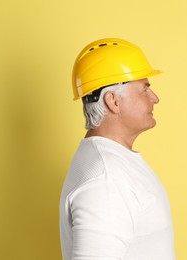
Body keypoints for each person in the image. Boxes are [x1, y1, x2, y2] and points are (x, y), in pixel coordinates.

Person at [60, 38, 175, 260]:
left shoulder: (112, 163)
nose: (155, 98)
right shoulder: (106, 180)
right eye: (144, 90)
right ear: (113, 101)